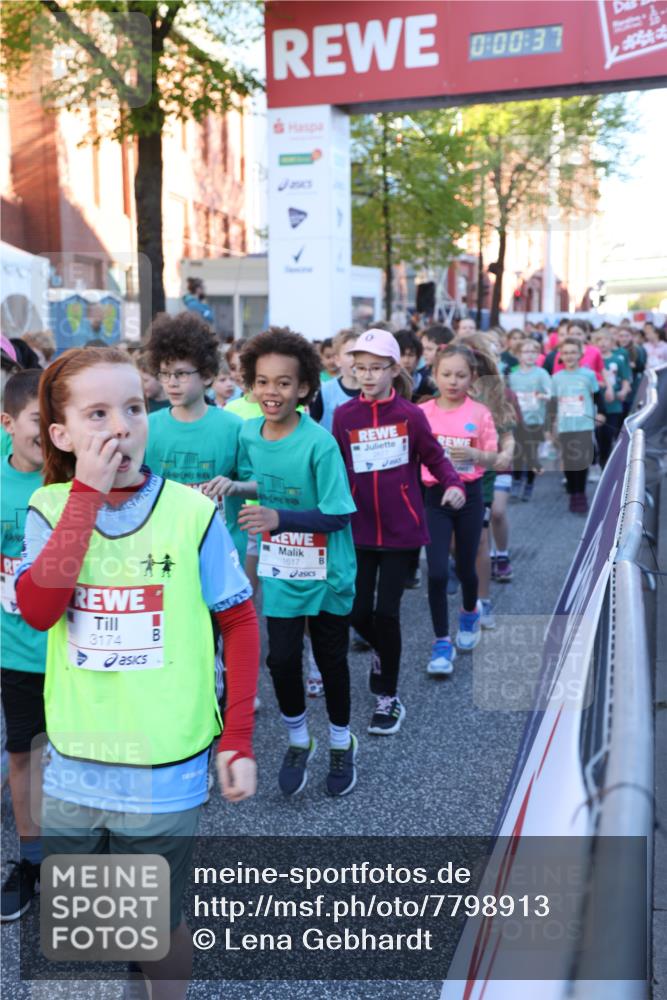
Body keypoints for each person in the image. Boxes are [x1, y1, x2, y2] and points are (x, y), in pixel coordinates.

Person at [15, 346, 258, 999]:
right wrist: (87, 498)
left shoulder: (191, 512)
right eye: (97, 413)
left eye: (131, 407)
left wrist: (237, 736)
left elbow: (237, 621)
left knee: (156, 923)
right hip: (75, 758)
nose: (120, 426)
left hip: (164, 766)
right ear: (61, 435)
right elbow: (39, 610)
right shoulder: (47, 511)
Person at [218, 327, 359, 797]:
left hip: (327, 574)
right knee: (280, 661)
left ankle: (342, 741)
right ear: (249, 384)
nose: (271, 392)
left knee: (331, 661)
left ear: (303, 389)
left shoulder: (320, 443)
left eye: (283, 383)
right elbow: (264, 482)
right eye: (262, 382)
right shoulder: (247, 433)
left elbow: (338, 513)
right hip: (281, 572)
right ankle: (300, 739)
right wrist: (231, 486)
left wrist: (278, 517)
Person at [332, 329, 464, 734]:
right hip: (356, 529)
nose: (368, 377)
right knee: (354, 612)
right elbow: (333, 467)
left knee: (386, 614)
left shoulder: (410, 415)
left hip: (399, 530)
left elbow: (434, 456)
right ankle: (382, 651)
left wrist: (454, 483)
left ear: (394, 369)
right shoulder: (345, 416)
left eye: (375, 368)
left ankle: (388, 698)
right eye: (360, 369)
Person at [419, 345, 498, 674]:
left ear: (473, 378)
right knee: (436, 572)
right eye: (446, 374)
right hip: (433, 495)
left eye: (461, 375)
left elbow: (492, 457)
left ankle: (469, 613)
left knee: (465, 568)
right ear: (434, 375)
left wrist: (470, 455)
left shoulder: (480, 413)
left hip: (469, 493)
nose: (453, 381)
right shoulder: (422, 412)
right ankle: (441, 642)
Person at [0, 369, 47, 921]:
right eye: (40, 419)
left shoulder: (80, 481)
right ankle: (31, 861)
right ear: (9, 424)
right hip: (17, 652)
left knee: (90, 757)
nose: (51, 428)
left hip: (79, 651)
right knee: (24, 757)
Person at [143, 312, 246, 560]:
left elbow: (257, 484)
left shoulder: (234, 426)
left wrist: (234, 486)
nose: (171, 383)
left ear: (207, 375)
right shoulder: (148, 427)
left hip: (222, 547)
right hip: (165, 548)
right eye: (165, 374)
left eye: (181, 374)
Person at [551, 337, 606, 513]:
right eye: (566, 352)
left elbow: (597, 396)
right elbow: (552, 403)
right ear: (561, 355)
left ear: (580, 354)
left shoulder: (588, 375)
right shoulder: (557, 377)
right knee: (568, 460)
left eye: (573, 352)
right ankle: (572, 490)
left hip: (584, 424)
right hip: (565, 425)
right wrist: (551, 424)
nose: (569, 356)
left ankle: (580, 494)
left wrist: (601, 413)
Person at [509, 339, 552, 500]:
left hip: (535, 420)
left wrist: (542, 395)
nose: (530, 355)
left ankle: (529, 483)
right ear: (519, 355)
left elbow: (551, 394)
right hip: (517, 421)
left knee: (531, 454)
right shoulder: (513, 375)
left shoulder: (541, 374)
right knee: (517, 453)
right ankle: (517, 480)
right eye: (526, 352)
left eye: (533, 352)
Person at [309, 329, 360, 431]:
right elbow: (312, 424)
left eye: (359, 354)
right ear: (337, 360)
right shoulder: (325, 390)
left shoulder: (372, 390)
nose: (355, 359)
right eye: (350, 354)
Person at [597, 328, 631, 468]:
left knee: (610, 434)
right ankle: (599, 464)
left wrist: (623, 391)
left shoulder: (618, 359)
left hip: (614, 404)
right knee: (598, 436)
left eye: (606, 340)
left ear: (612, 343)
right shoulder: (594, 360)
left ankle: (609, 465)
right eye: (598, 340)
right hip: (598, 404)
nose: (602, 343)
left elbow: (625, 379)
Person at [395, 329, 437, 402]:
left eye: (411, 355)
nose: (406, 360)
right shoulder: (387, 387)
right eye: (401, 355)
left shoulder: (428, 387)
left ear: (418, 358)